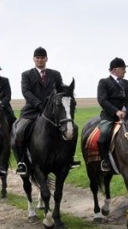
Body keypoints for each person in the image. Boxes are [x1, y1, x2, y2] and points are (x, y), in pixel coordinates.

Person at [14, 46, 80, 175]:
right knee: (19, 131)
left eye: (42, 57)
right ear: (34, 59)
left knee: (74, 128)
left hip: (53, 111)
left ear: (46, 59)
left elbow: (60, 90)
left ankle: (69, 159)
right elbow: (26, 91)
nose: (40, 60)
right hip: (32, 110)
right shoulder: (26, 75)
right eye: (37, 57)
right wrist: (38, 104)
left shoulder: (55, 74)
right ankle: (22, 161)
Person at [96, 57, 128, 172]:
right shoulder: (104, 82)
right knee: (103, 135)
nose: (125, 71)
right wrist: (116, 111)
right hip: (110, 116)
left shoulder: (127, 83)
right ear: (114, 69)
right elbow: (102, 100)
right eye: (123, 69)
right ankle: (105, 160)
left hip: (127, 116)